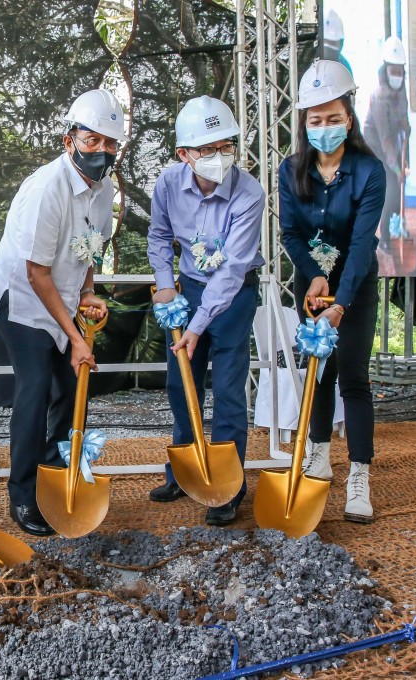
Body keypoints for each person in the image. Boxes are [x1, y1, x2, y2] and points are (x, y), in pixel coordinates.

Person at [0, 89, 124, 536]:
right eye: (92, 140)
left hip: (62, 298)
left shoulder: (104, 190)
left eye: (110, 142)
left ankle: (55, 474)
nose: (101, 150)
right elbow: (36, 272)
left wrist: (87, 292)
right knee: (36, 387)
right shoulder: (47, 188)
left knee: (69, 388)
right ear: (70, 141)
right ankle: (23, 496)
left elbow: (90, 250)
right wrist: (77, 338)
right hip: (23, 302)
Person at [145, 96, 266, 527]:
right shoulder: (167, 183)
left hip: (234, 297)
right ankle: (184, 471)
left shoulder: (250, 193)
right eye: (207, 148)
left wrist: (197, 327)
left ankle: (228, 488)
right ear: (184, 154)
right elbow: (159, 236)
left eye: (226, 145)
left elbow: (232, 269)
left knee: (229, 392)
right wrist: (165, 284)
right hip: (187, 290)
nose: (220, 156)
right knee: (182, 384)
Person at [279, 59, 385, 524]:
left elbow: (362, 244)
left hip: (354, 289)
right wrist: (313, 276)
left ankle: (359, 475)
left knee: (353, 378)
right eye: (316, 119)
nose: (324, 127)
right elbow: (290, 233)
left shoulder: (369, 171)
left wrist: (341, 300)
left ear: (349, 118)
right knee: (318, 373)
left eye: (333, 118)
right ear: (305, 122)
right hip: (312, 287)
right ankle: (318, 456)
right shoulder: (290, 170)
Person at [362, 37, 410, 252]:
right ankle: (384, 240)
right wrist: (397, 169)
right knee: (390, 188)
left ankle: (397, 227)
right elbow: (385, 139)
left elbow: (401, 118)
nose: (397, 76)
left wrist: (405, 125)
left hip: (391, 144)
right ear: (385, 71)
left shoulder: (401, 91)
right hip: (375, 148)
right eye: (393, 71)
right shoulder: (379, 98)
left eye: (400, 71)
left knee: (398, 188)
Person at [321, 8, 353, 77]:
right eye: (325, 42)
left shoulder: (345, 68)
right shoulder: (309, 59)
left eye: (332, 43)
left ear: (341, 44)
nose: (328, 47)